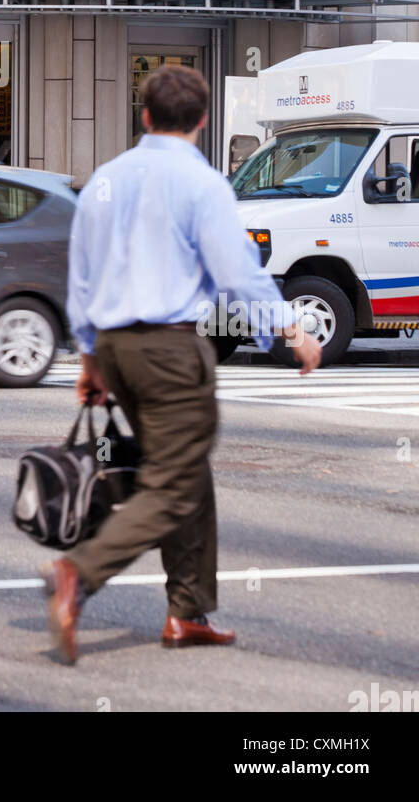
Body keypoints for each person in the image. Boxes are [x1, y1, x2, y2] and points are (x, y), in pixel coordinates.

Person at [44, 63, 322, 664]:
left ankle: (187, 612)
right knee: (172, 483)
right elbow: (236, 274)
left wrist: (90, 359)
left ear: (144, 117)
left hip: (116, 347)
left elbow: (82, 277)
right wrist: (291, 328)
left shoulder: (104, 182)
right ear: (201, 121)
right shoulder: (204, 186)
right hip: (170, 348)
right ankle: (78, 574)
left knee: (186, 471)